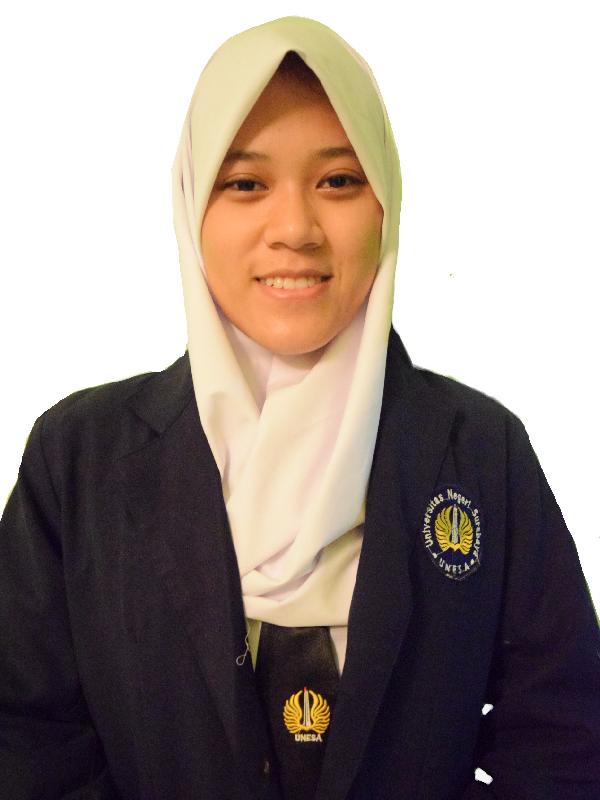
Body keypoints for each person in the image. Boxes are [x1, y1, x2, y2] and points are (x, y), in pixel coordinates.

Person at [0, 15, 598, 800]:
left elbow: (563, 733)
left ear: (386, 201)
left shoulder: (482, 451)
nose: (295, 230)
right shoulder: (79, 460)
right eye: (246, 184)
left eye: (339, 181)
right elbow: (26, 738)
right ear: (191, 204)